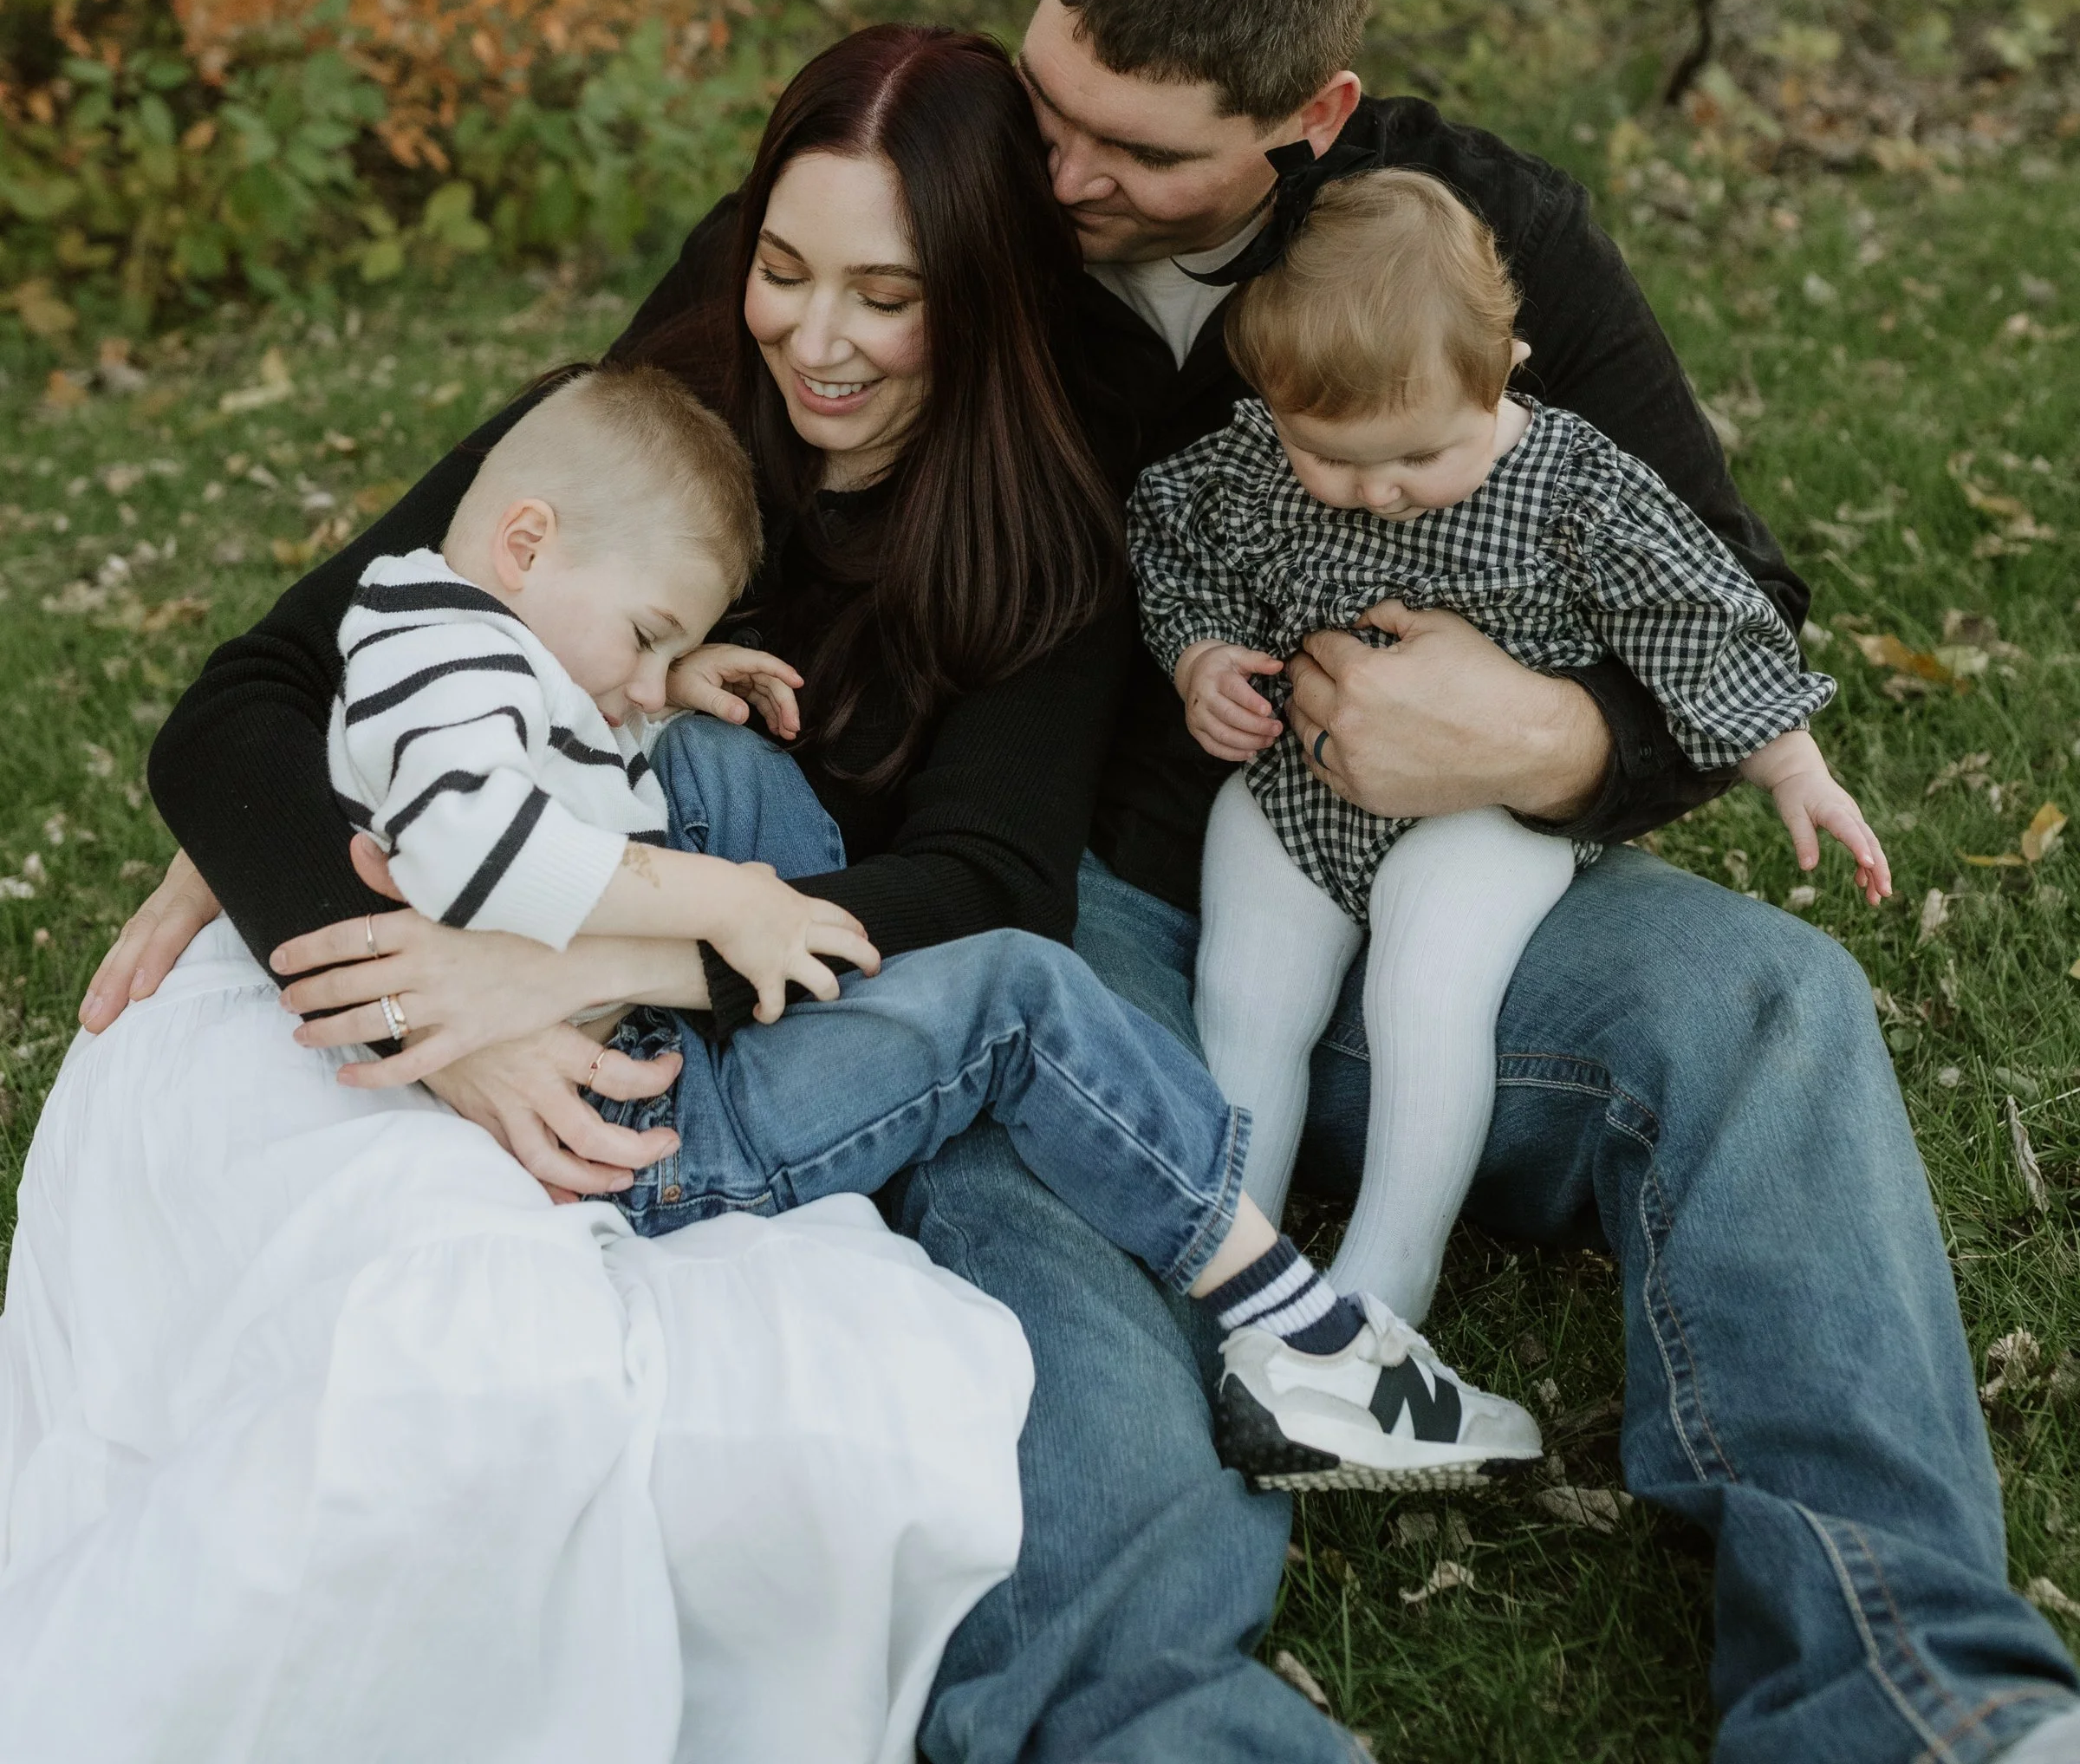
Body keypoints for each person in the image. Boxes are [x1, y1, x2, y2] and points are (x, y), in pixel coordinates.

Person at [81, 0, 2080, 1762]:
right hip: (1071, 898)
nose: (1063, 174)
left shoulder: (1470, 245)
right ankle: (1155, 1713)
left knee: (1771, 1010)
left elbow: (1737, 613)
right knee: (1041, 1202)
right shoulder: (914, 202)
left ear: (1310, 120)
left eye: (1135, 151)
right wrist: (330, 859)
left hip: (1423, 877)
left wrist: (1548, 741)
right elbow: (526, 548)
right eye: (1050, 102)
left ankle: (1920, 1700)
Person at [318, 358, 1542, 1491]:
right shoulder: (446, 664)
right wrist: (737, 902)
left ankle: (857, 1006)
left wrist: (660, 697)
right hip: (655, 1128)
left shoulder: (456, 631)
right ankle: (1302, 1336)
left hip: (652, 1036)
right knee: (1019, 991)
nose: (644, 673)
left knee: (708, 752)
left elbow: (536, 764)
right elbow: (476, 842)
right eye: (647, 635)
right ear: (525, 544)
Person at [1131, 163, 1888, 1331]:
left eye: (1419, 460)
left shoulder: (1575, 490)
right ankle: (1239, 1265)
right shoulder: (1248, 465)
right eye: (1328, 458)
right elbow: (1172, 534)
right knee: (1244, 993)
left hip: (1479, 809)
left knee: (1429, 995)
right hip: (1297, 784)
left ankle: (1381, 1289)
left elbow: (1698, 613)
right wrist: (1202, 657)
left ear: (1503, 376)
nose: (1376, 492)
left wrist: (1788, 760)